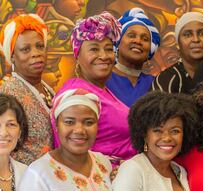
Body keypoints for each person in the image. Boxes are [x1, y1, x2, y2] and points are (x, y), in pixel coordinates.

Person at [54, 11, 136, 165]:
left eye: (108, 49)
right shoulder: (75, 95)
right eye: (94, 49)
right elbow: (68, 154)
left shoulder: (102, 90)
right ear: (77, 56)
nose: (104, 56)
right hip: (102, 182)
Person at [0, 14, 55, 165]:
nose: (35, 53)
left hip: (53, 176)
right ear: (12, 57)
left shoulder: (46, 88)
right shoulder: (9, 93)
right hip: (25, 179)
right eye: (25, 49)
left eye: (39, 46)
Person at [106, 8, 160, 107]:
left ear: (150, 50)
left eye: (145, 39)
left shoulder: (156, 83)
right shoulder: (103, 78)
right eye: (131, 35)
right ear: (118, 43)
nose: (138, 41)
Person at [152, 12, 203, 94]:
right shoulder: (166, 80)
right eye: (187, 35)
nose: (196, 39)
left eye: (202, 33)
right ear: (178, 43)